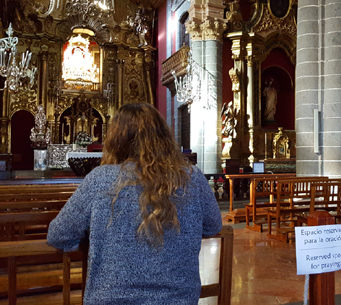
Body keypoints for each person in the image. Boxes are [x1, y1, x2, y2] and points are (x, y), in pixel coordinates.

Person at [47, 103, 222, 305]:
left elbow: (58, 235)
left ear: (117, 139)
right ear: (164, 137)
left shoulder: (100, 179)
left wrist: (96, 236)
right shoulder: (192, 178)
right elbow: (213, 226)